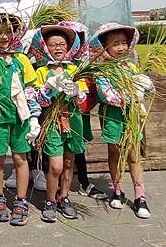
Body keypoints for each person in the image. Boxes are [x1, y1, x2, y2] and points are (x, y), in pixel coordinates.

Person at [0, 0, 48, 190]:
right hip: (7, 64)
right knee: (13, 114)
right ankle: (15, 167)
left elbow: (48, 35)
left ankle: (38, 168)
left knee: (35, 115)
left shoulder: (40, 2)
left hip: (34, 63)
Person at [0, 13, 41, 226]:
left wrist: (33, 117)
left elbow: (31, 90)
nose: (3, 36)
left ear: (15, 33)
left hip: (20, 118)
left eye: (8, 31)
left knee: (21, 158)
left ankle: (21, 200)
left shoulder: (22, 60)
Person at [90, 23, 154, 219]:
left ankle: (140, 196)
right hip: (112, 116)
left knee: (134, 154)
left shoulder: (131, 66)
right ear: (105, 47)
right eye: (115, 43)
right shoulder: (101, 70)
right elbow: (107, 95)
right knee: (115, 152)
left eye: (124, 43)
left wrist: (146, 84)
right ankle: (117, 190)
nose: (121, 47)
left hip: (131, 116)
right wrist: (131, 94)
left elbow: (148, 90)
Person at [29, 25, 87, 222]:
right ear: (45, 47)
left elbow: (83, 99)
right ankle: (50, 200)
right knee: (55, 165)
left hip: (73, 120)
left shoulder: (75, 69)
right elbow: (38, 100)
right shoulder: (40, 71)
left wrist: (76, 90)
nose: (58, 48)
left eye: (62, 44)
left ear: (69, 46)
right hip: (52, 122)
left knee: (69, 162)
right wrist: (47, 87)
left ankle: (65, 197)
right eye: (53, 45)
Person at [57, 21, 107, 200]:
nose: (75, 44)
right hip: (57, 115)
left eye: (79, 39)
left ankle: (84, 183)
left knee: (77, 148)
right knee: (56, 149)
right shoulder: (52, 64)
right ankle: (56, 185)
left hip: (78, 114)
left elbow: (92, 93)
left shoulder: (85, 66)